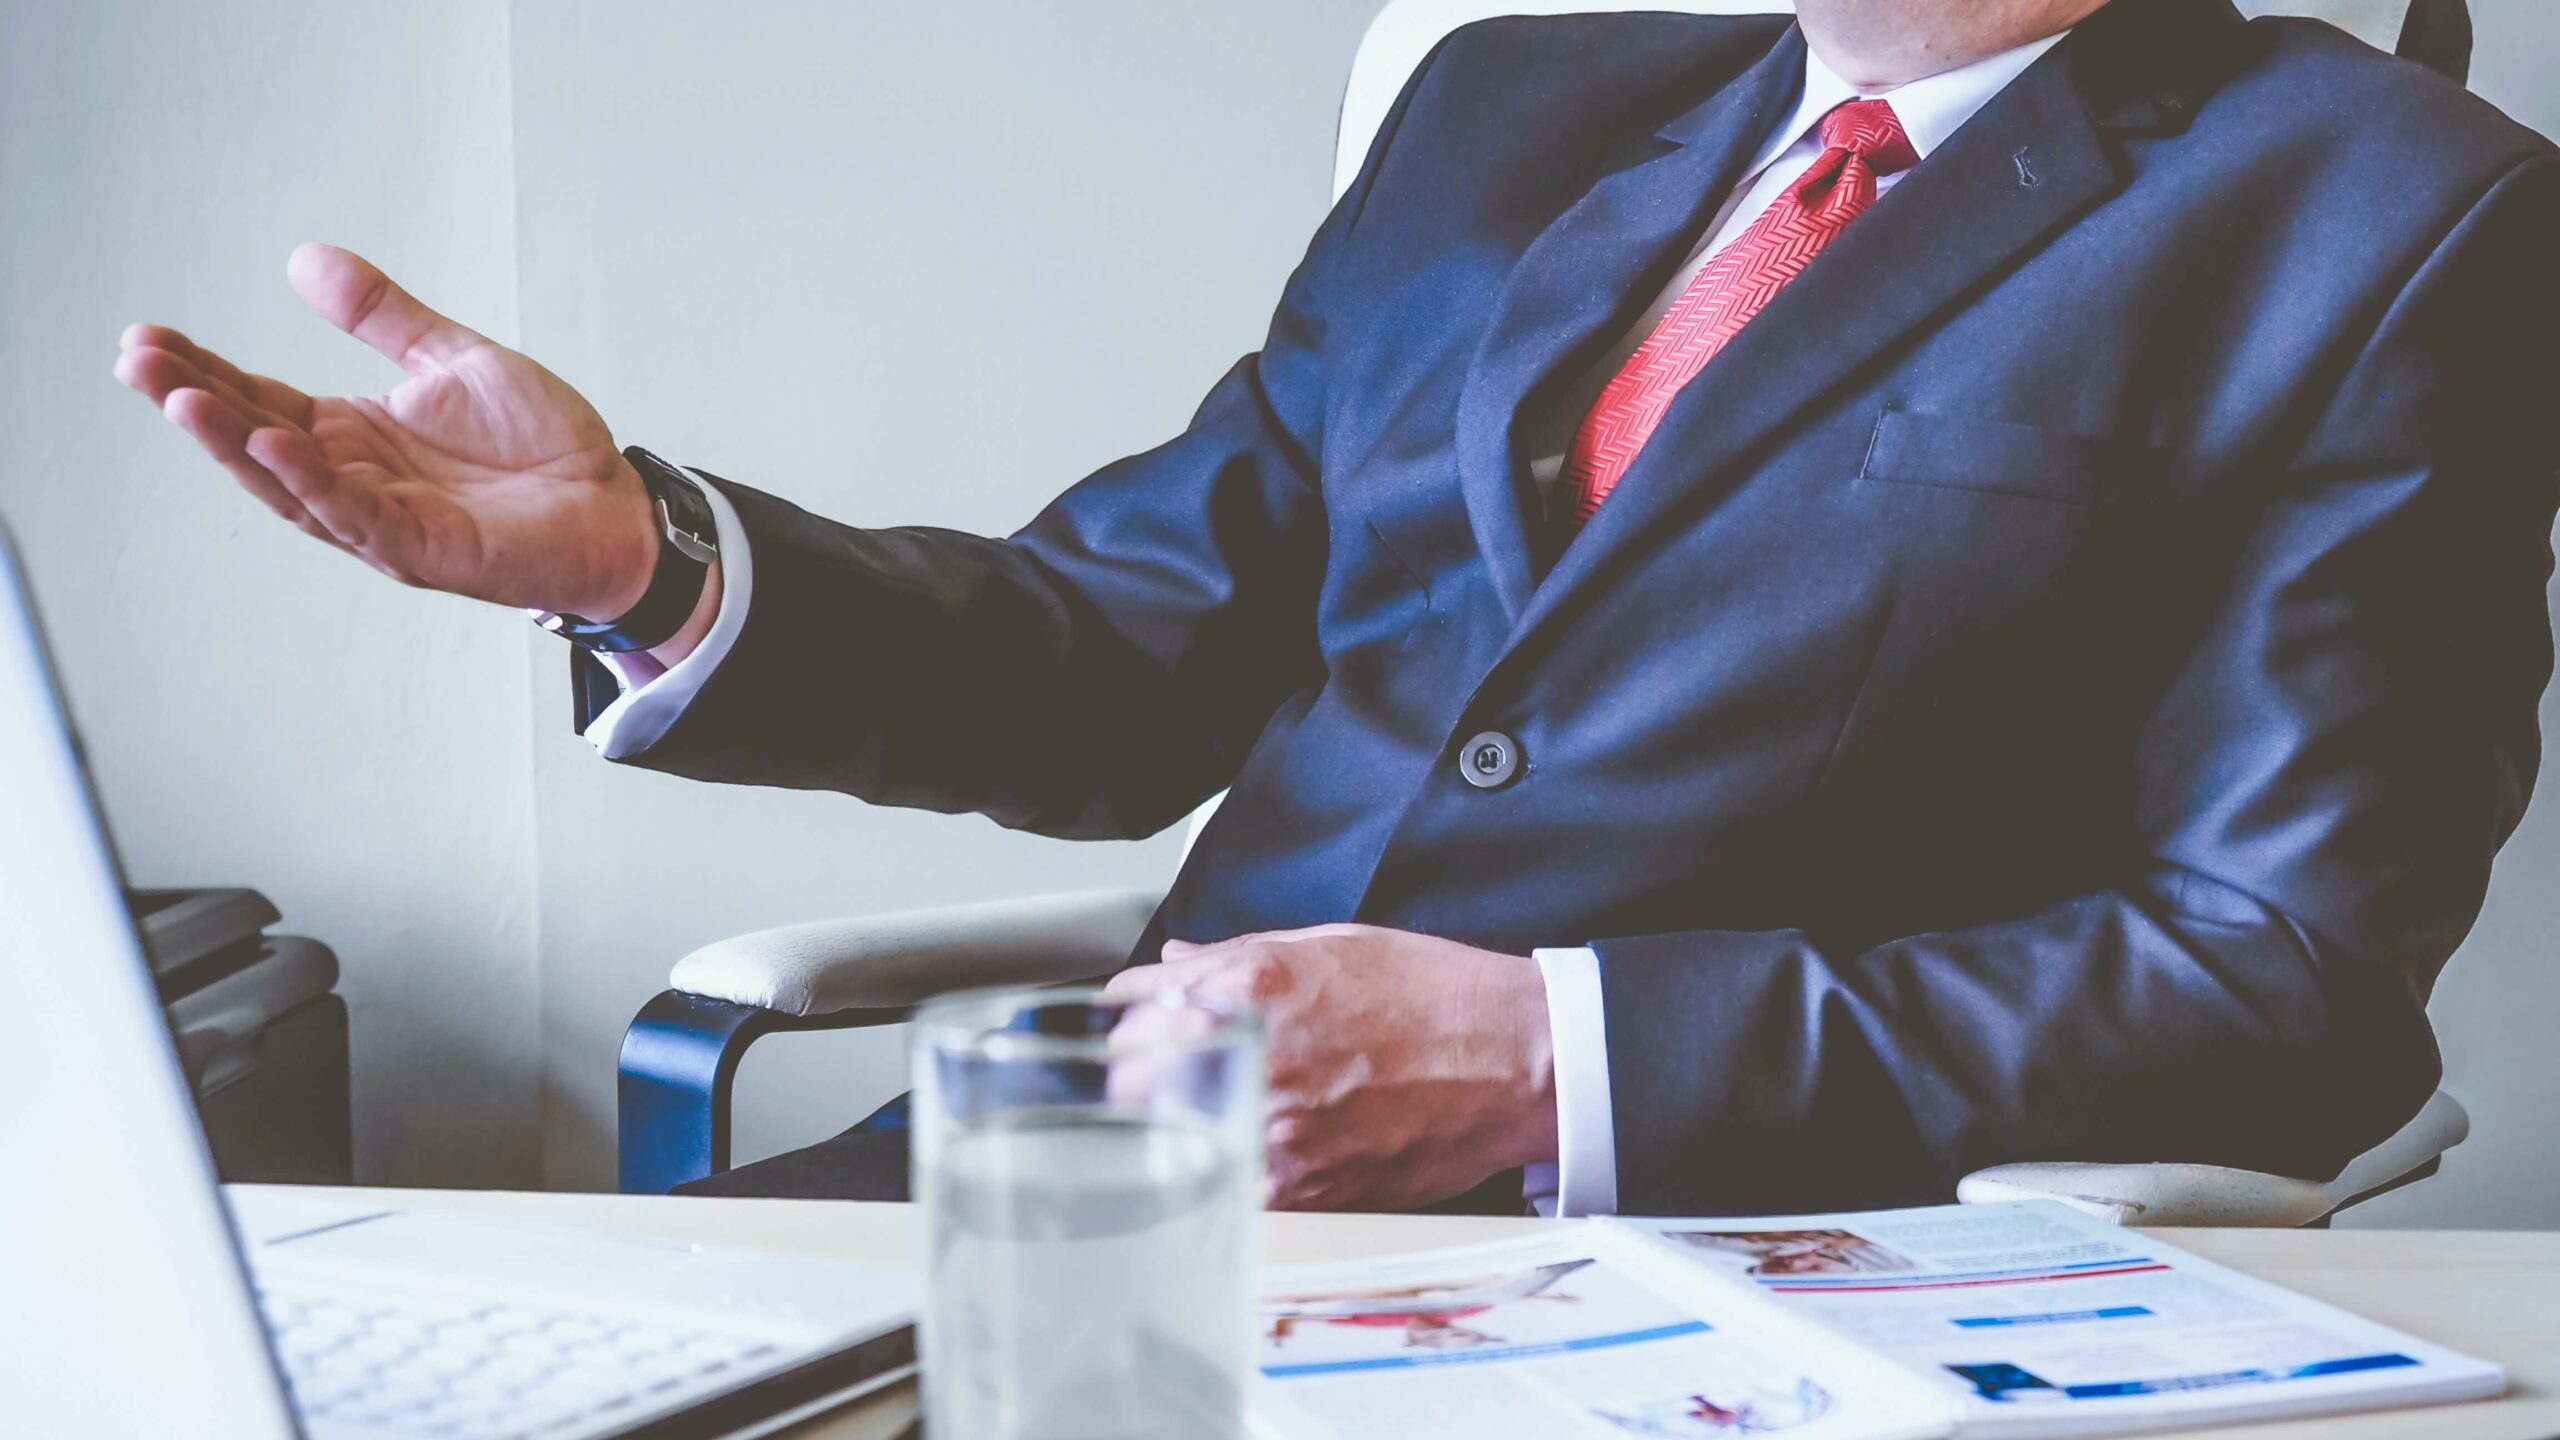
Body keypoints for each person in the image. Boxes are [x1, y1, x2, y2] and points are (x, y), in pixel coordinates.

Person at [115, 0, 2556, 1217]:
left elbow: (2278, 980)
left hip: (1688, 1265)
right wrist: (650, 557)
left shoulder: (2392, 211)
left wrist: (1539, 1061)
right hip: (1110, 1182)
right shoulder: (1511, 99)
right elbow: (1122, 650)